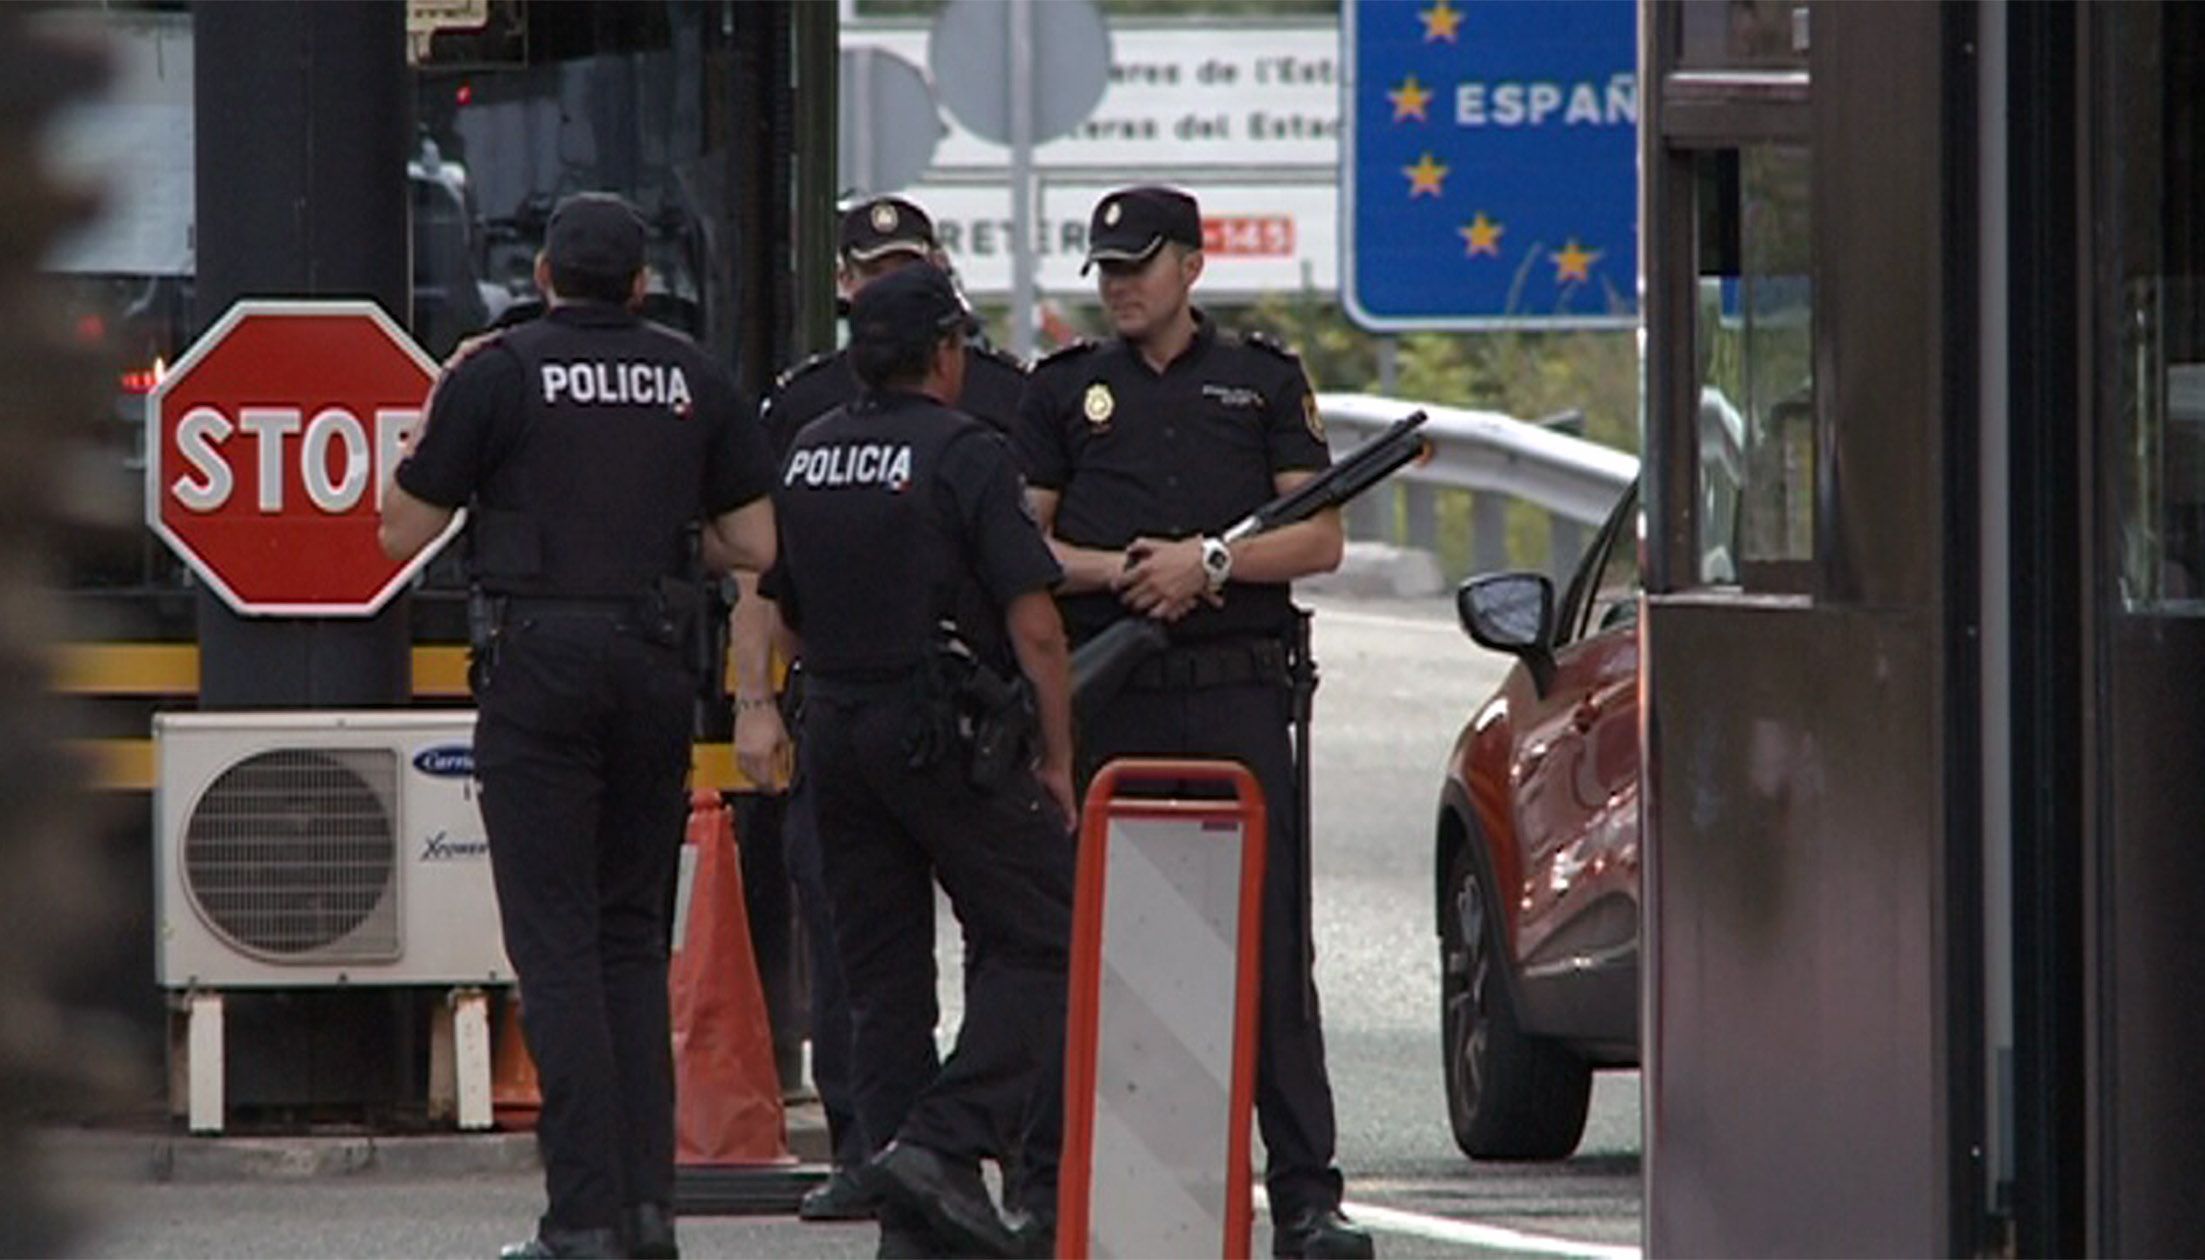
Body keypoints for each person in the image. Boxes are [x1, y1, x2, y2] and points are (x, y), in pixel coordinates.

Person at [380, 191, 780, 1260]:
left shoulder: (500, 372)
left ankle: (583, 1222)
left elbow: (399, 529)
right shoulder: (692, 375)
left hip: (539, 671)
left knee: (555, 952)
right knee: (628, 947)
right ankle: (648, 1215)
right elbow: (752, 542)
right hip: (653, 670)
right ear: (642, 284)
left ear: (544, 277)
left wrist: (442, 400)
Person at [1012, 185, 1376, 1260]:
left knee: (1269, 948)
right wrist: (1129, 572)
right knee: (1075, 939)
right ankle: (1043, 1187)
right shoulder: (1063, 389)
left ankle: (1308, 1197)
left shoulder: (1259, 378)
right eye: (1107, 268)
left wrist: (1210, 562)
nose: (1120, 284)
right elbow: (1026, 546)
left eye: (1138, 263)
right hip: (1111, 694)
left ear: (1192, 267)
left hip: (1239, 690)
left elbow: (1317, 540)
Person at [756, 262, 1076, 1259]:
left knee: (883, 980)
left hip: (837, 735)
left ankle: (914, 1228)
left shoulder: (808, 452)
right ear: (945, 355)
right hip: (941, 731)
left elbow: (786, 611)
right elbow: (1037, 627)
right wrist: (1057, 759)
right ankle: (944, 1144)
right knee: (1052, 934)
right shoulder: (967, 452)